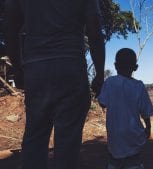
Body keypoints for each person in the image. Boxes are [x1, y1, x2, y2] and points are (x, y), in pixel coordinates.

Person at [4, 0, 105, 169]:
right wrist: (99, 74)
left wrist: (19, 69)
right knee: (68, 144)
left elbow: (10, 27)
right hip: (71, 67)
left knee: (35, 138)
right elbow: (94, 29)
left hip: (36, 70)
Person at [98, 48, 153, 169]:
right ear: (135, 67)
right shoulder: (139, 86)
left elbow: (103, 103)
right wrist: (148, 127)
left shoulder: (110, 82)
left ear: (115, 65)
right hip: (134, 136)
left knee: (114, 161)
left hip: (115, 137)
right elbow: (145, 111)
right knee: (133, 162)